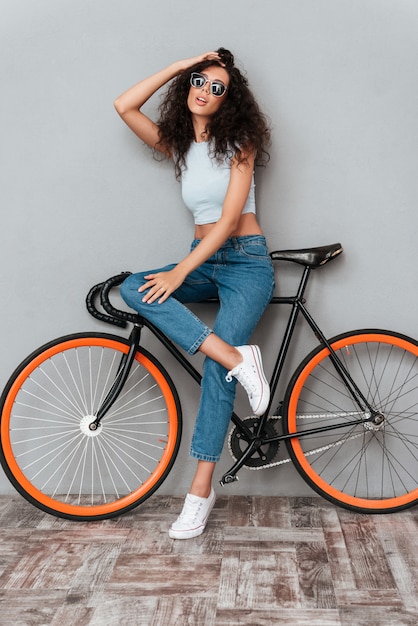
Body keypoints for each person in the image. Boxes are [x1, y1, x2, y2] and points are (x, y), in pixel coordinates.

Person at [114, 48, 274, 539]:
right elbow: (124, 106)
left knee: (213, 374)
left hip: (245, 261)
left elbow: (227, 222)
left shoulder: (240, 142)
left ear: (230, 100)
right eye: (198, 82)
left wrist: (181, 273)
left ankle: (199, 494)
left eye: (216, 87)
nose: (204, 91)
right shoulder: (181, 147)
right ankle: (235, 357)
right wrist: (182, 65)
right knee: (131, 286)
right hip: (203, 257)